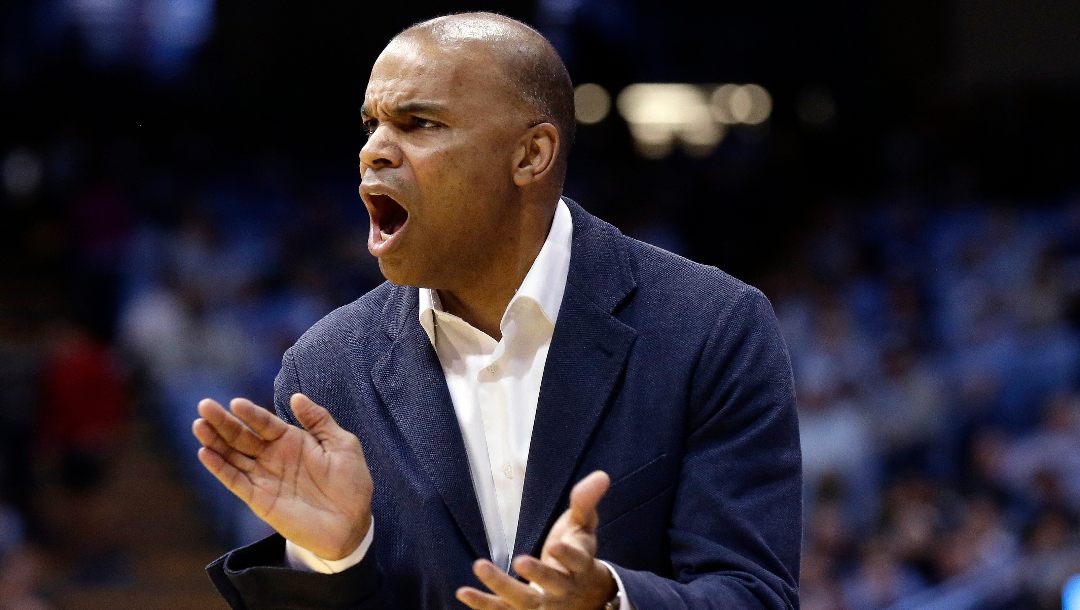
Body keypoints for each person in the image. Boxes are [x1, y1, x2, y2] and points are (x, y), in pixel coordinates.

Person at [192, 11, 801, 609]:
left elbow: (755, 594)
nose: (373, 151)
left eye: (418, 123)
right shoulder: (325, 372)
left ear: (530, 156)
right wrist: (336, 560)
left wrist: (608, 600)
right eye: (371, 124)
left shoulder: (709, 327)